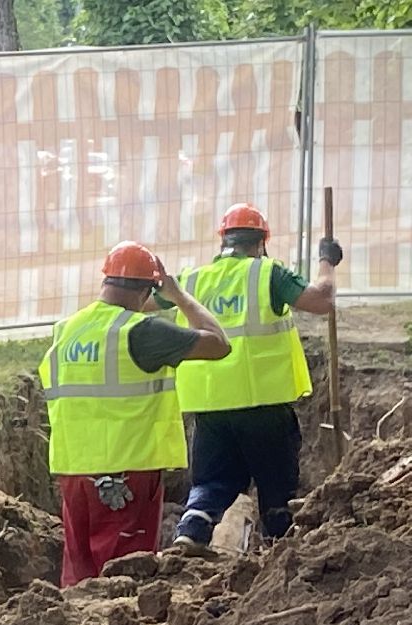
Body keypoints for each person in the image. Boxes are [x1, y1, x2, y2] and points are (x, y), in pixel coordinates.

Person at [38, 241, 230, 586]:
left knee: (80, 572)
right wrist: (181, 297)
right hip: (127, 469)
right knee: (123, 575)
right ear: (147, 291)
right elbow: (219, 343)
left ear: (105, 282)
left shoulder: (67, 329)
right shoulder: (142, 330)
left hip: (73, 470)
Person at [169, 203, 343, 546]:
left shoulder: (192, 280)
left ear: (223, 241)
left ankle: (190, 533)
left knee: (210, 485)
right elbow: (322, 300)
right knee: (276, 489)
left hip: (211, 407)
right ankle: (280, 551)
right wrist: (327, 261)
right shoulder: (268, 273)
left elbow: (145, 301)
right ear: (263, 241)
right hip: (264, 405)